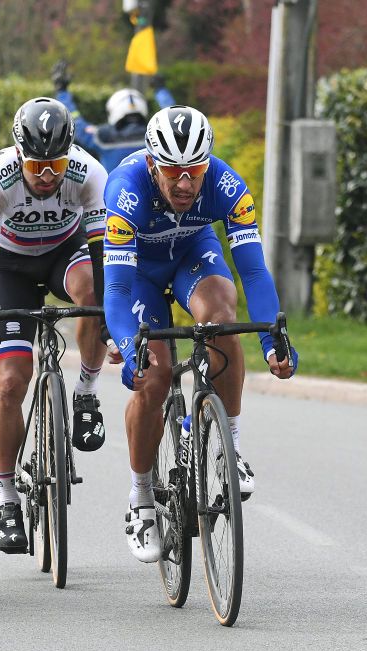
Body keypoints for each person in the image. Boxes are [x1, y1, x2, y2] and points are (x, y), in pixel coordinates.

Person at [102, 105, 298, 563]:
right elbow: (116, 288)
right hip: (140, 275)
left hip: (193, 254)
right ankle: (141, 498)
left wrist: (274, 343)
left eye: (194, 171)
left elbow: (253, 271)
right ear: (153, 164)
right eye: (173, 172)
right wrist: (133, 351)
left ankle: (227, 439)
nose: (186, 183)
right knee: (156, 373)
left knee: (220, 319)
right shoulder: (125, 190)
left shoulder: (227, 186)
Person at [0, 97, 116, 554]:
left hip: (63, 255)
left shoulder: (88, 173)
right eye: (37, 165)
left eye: (56, 164)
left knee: (94, 293)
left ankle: (86, 392)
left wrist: (110, 320)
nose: (48, 175)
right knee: (12, 382)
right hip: (9, 269)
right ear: (18, 154)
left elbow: (105, 254)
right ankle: (7, 498)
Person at [51, 61, 175, 173]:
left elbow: (75, 122)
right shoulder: (156, 137)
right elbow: (173, 119)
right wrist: (161, 90)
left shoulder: (104, 138)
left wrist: (62, 92)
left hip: (112, 198)